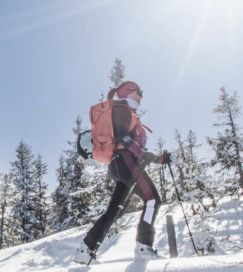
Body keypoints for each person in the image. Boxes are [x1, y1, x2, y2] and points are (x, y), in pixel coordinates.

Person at [73, 81, 171, 264]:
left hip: (122, 164)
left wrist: (159, 159)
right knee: (152, 199)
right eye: (139, 92)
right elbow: (122, 137)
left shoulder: (127, 111)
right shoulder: (124, 110)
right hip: (127, 163)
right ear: (129, 92)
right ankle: (144, 247)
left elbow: (130, 142)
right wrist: (143, 154)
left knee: (117, 209)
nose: (141, 96)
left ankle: (85, 251)